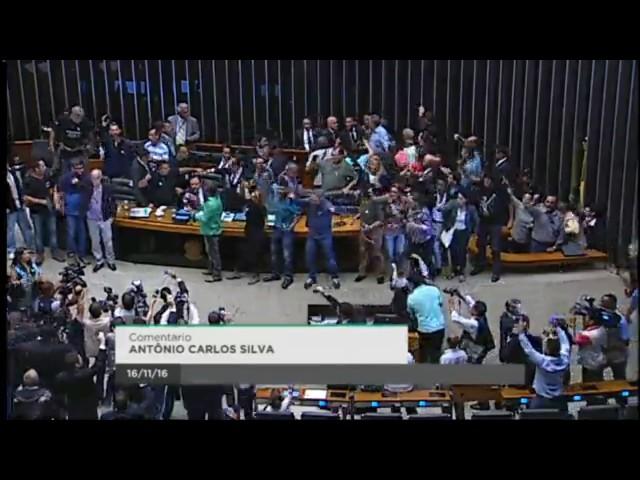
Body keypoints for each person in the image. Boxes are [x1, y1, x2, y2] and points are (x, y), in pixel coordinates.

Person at [516, 320, 570, 410]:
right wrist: (559, 329)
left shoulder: (542, 361)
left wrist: (521, 333)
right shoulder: (564, 360)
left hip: (541, 401)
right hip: (559, 401)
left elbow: (528, 349)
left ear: (547, 350)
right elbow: (565, 344)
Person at [54, 332, 107, 420]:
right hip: (89, 408)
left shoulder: (61, 377)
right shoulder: (85, 374)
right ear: (77, 363)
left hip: (73, 408)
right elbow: (99, 365)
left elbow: (59, 395)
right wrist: (102, 344)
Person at [23, 159, 64, 264]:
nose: (44, 168)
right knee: (38, 233)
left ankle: (55, 251)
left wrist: (56, 200)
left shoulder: (47, 176)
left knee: (53, 231)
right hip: (36, 212)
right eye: (42, 166)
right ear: (36, 169)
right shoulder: (28, 180)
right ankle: (40, 254)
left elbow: (53, 187)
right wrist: (41, 201)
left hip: (50, 210)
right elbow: (26, 197)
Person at [471, 174, 511, 282]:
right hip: (483, 221)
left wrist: (509, 222)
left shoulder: (500, 192)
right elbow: (474, 203)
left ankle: (496, 271)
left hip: (496, 222)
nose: (486, 182)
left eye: (489, 179)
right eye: (485, 179)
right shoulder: (479, 191)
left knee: (495, 247)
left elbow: (509, 205)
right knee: (480, 244)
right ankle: (480, 265)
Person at [263, 183, 301, 290]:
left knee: (287, 254)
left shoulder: (290, 202)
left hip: (286, 230)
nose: (280, 192)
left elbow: (298, 214)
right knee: (274, 252)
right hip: (276, 228)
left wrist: (292, 225)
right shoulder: (275, 201)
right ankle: (275, 273)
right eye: (278, 190)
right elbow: (270, 211)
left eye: (282, 190)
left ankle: (288, 276)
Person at [227, 189, 267, 285]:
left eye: (253, 196)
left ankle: (255, 275)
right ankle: (238, 271)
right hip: (249, 233)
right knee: (242, 252)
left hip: (256, 234)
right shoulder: (255, 206)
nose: (251, 197)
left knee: (254, 255)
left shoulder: (258, 208)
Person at [301, 192, 341, 290]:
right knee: (309, 256)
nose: (312, 201)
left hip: (325, 235)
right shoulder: (310, 204)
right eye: (311, 199)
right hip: (312, 235)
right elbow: (298, 201)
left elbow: (338, 209)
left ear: (320, 199)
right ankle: (312, 277)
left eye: (314, 200)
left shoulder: (326, 205)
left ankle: (334, 277)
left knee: (330, 257)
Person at [58, 159, 93, 265]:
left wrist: (79, 183)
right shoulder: (65, 178)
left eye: (81, 168)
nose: (79, 171)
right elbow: (61, 193)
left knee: (82, 233)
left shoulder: (86, 177)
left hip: (82, 210)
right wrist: (61, 206)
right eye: (77, 168)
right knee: (71, 233)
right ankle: (71, 253)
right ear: (72, 168)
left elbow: (88, 190)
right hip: (70, 210)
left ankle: (82, 254)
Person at [442, 190, 479, 282]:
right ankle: (454, 269)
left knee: (462, 252)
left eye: (461, 198)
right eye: (458, 198)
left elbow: (476, 221)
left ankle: (462, 271)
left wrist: (474, 233)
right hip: (454, 231)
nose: (459, 200)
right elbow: (444, 212)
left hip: (464, 232)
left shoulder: (471, 209)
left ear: (466, 200)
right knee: (453, 251)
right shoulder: (454, 207)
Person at [407, 275, 445, 363]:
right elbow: (440, 303)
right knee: (436, 351)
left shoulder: (411, 298)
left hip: (424, 329)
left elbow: (411, 314)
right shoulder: (434, 290)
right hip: (439, 327)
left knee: (423, 349)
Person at [448, 294, 495, 365]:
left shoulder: (473, 324)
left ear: (475, 312)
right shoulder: (481, 314)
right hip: (482, 344)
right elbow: (470, 302)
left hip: (476, 347)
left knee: (472, 361)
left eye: (472, 308)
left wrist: (452, 306)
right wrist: (458, 294)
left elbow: (456, 319)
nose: (470, 308)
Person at [86, 169, 117, 273]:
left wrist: (112, 216)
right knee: (95, 241)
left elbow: (113, 202)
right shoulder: (88, 188)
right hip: (91, 219)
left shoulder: (107, 189)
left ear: (100, 178)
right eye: (92, 178)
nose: (94, 181)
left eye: (96, 178)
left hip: (105, 218)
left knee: (108, 241)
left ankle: (110, 260)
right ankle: (99, 260)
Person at [355, 188, 386, 284]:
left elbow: (380, 220)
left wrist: (371, 226)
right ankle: (362, 273)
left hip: (375, 231)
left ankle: (380, 274)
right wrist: (362, 222)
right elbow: (362, 214)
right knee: (363, 252)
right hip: (365, 230)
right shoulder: (363, 204)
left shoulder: (376, 205)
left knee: (376, 253)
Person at [194, 182, 224, 283]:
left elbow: (204, 218)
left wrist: (194, 216)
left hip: (211, 230)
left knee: (214, 253)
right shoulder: (217, 199)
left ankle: (216, 274)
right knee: (210, 252)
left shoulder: (211, 204)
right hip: (212, 229)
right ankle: (211, 269)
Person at [7, 156, 36, 259]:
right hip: (10, 208)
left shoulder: (13, 174)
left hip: (19, 204)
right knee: (10, 229)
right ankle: (11, 250)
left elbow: (19, 186)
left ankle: (30, 247)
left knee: (26, 227)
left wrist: (22, 200)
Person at [52, 105, 94, 173]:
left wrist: (90, 148)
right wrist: (52, 145)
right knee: (63, 171)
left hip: (79, 151)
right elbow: (53, 131)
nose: (79, 118)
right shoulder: (63, 120)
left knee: (83, 171)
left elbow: (91, 136)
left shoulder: (85, 122)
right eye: (77, 116)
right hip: (64, 150)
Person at [598, 294, 630, 380]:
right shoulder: (597, 317)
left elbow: (626, 339)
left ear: (613, 304)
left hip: (617, 354)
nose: (601, 305)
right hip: (601, 354)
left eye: (605, 303)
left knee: (620, 378)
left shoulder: (620, 320)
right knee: (595, 376)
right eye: (602, 303)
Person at [405, 192, 435, 280]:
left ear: (416, 202)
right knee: (413, 257)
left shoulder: (424, 212)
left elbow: (428, 228)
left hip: (425, 239)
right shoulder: (410, 211)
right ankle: (414, 275)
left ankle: (431, 275)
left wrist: (415, 226)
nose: (409, 204)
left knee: (427, 258)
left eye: (411, 202)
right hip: (414, 239)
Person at [383, 185, 409, 274]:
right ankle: (393, 273)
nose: (392, 194)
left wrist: (401, 221)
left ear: (398, 193)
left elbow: (406, 217)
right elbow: (382, 217)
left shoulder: (403, 204)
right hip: (389, 231)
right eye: (391, 192)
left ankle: (400, 271)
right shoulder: (386, 204)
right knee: (390, 253)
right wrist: (388, 224)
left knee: (400, 252)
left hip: (400, 230)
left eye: (394, 192)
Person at [575, 314, 607, 382]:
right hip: (598, 360)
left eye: (587, 319)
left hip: (590, 363)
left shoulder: (587, 335)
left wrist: (573, 327)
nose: (585, 320)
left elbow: (576, 340)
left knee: (590, 383)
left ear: (592, 321)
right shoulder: (602, 329)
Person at [9, 248, 42, 313]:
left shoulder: (32, 264)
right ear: (19, 256)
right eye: (25, 254)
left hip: (34, 291)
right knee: (23, 311)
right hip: (22, 294)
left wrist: (38, 277)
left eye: (28, 253)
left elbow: (38, 274)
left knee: (35, 310)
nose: (28, 255)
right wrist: (20, 281)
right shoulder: (15, 267)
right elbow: (13, 281)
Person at [431, 178, 450, 277]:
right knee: (435, 245)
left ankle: (445, 266)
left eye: (442, 185)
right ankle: (438, 266)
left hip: (444, 224)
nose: (439, 187)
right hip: (433, 223)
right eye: (438, 185)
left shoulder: (448, 197)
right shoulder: (433, 196)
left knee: (444, 246)